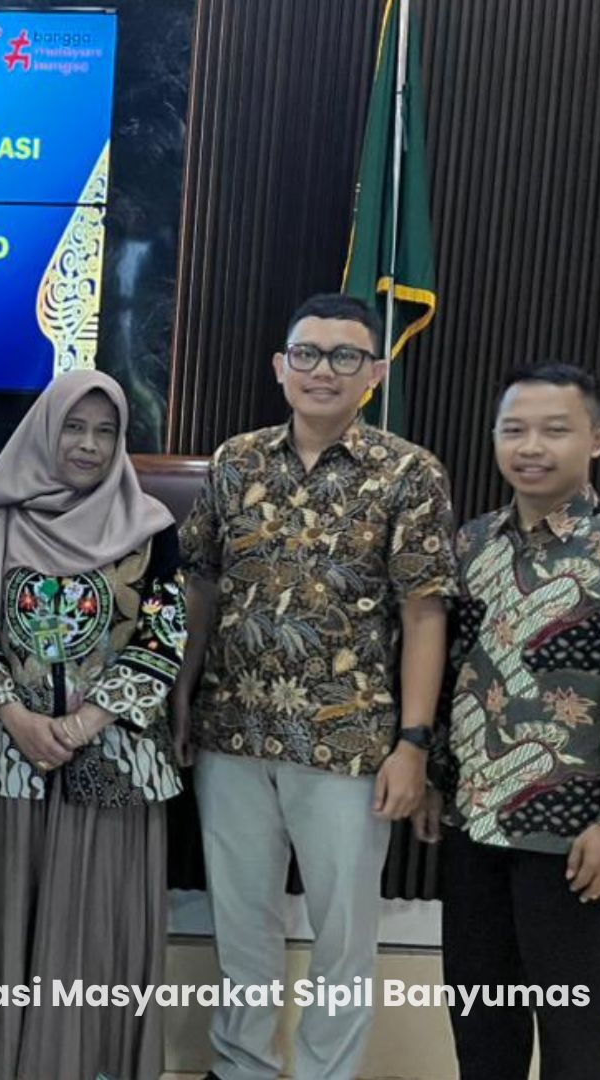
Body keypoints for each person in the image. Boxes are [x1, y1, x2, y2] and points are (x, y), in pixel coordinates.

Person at [173, 293, 457, 1080]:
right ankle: (242, 1066)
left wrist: (414, 743)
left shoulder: (408, 473)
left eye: (344, 356)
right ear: (280, 366)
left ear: (374, 372)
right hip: (232, 730)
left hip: (350, 740)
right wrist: (182, 692)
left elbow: (425, 612)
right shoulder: (236, 461)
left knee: (342, 934)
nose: (322, 370)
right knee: (242, 923)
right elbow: (202, 583)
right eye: (307, 353)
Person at [416, 364, 600, 1079]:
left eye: (555, 429)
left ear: (596, 439)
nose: (531, 446)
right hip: (476, 824)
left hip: (575, 834)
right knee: (482, 1025)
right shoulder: (472, 544)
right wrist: (438, 777)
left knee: (578, 1033)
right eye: (514, 429)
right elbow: (453, 674)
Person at [0, 371, 185, 1080]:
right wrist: (17, 718)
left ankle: (95, 1064)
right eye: (74, 428)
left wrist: (81, 726)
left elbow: (162, 638)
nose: (88, 445)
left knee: (97, 920)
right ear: (46, 432)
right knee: (12, 915)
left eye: (105, 432)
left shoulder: (149, 529)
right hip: (13, 755)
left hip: (115, 757)